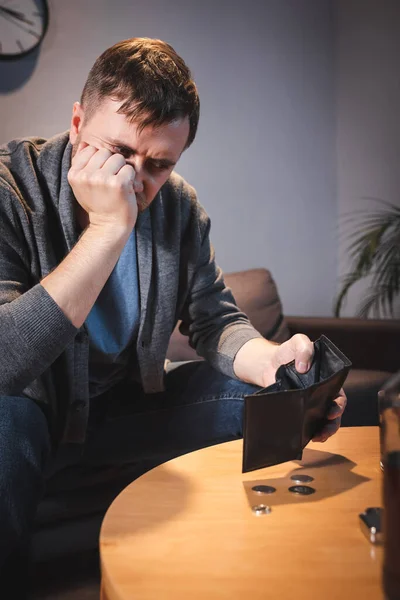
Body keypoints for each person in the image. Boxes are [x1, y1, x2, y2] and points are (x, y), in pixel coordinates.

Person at [0, 37, 346, 592]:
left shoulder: (179, 206)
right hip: (28, 416)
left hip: (117, 412)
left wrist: (273, 361)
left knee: (282, 392)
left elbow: (214, 322)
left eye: (158, 164)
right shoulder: (11, 189)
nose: (135, 182)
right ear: (75, 121)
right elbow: (4, 362)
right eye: (116, 153)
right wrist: (108, 230)